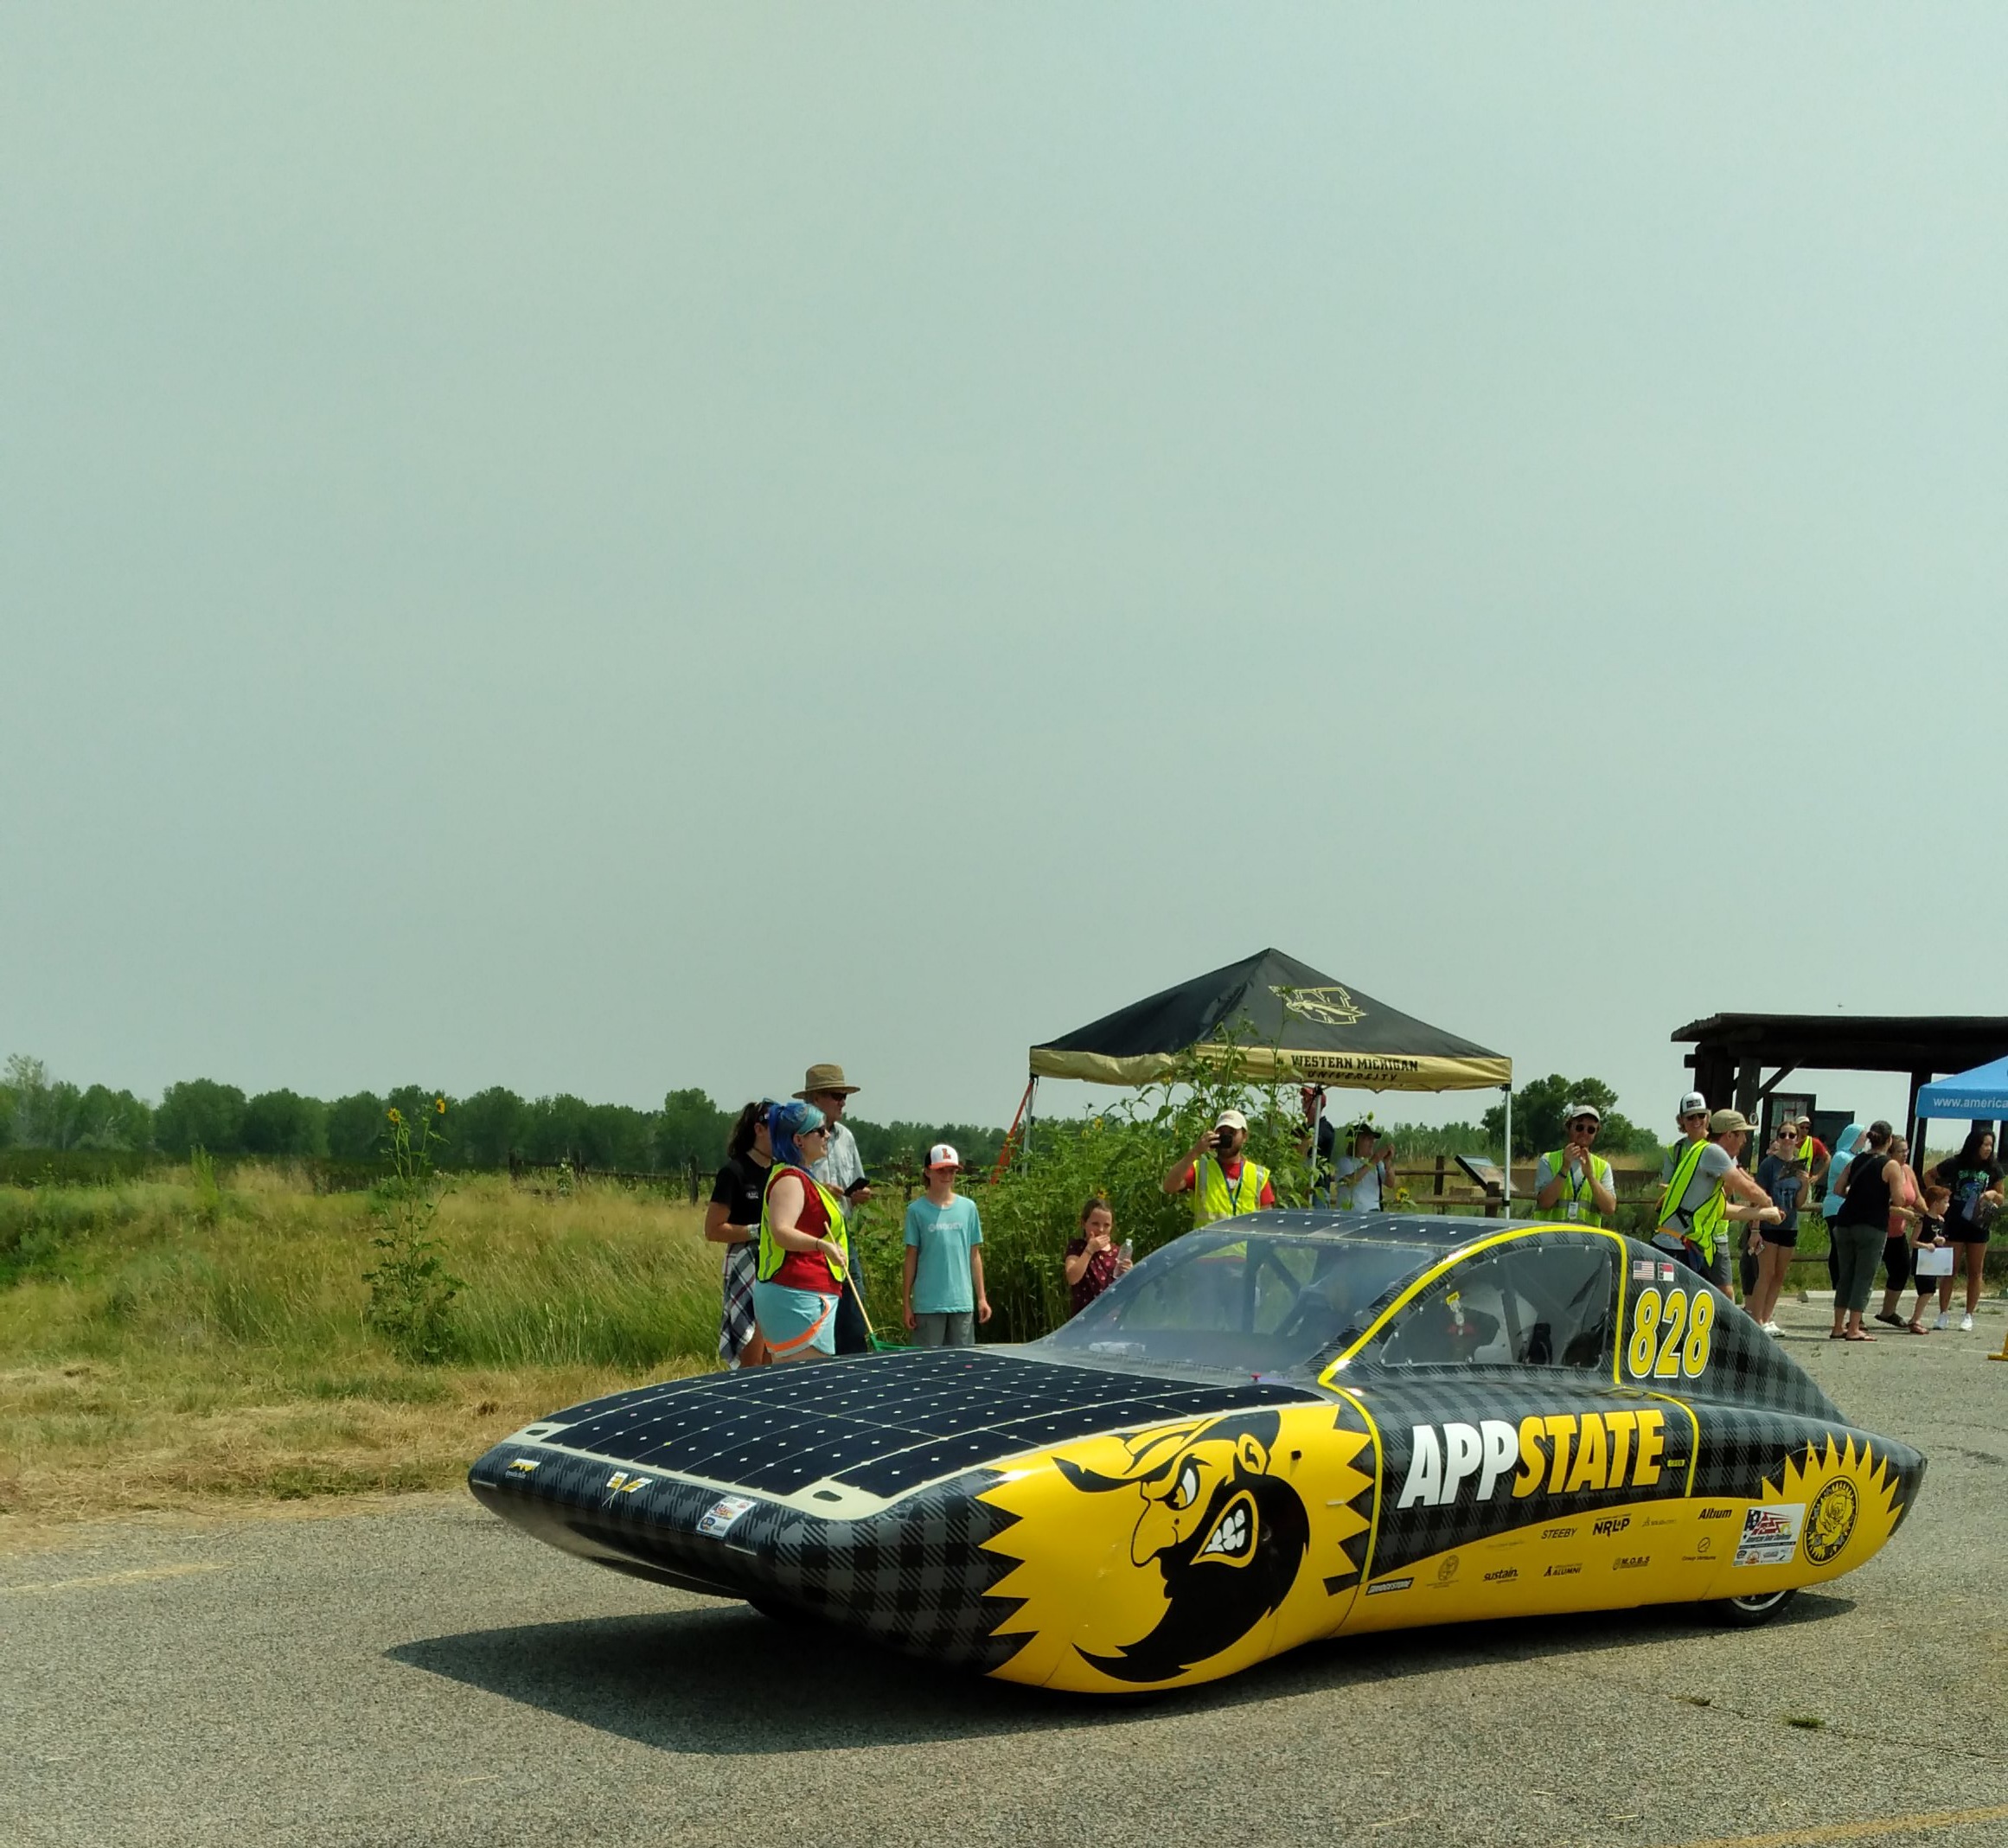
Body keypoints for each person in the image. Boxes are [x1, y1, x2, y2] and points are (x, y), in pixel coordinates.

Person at [751, 1100, 851, 1365]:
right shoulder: (790, 1180)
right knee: (806, 1383)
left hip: (807, 1293)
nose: (827, 1135)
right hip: (798, 1295)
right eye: (820, 1131)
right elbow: (781, 1231)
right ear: (799, 1140)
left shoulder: (801, 1178)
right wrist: (823, 1246)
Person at [1654, 1108, 1779, 1293]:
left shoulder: (1702, 1151)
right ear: (1729, 1135)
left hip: (1680, 1245)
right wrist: (1769, 1203)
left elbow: (1723, 1210)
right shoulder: (1714, 1152)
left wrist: (1765, 1214)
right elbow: (1747, 1188)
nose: (1745, 1141)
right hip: (1677, 1247)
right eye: (1742, 1135)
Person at [796, 1063, 873, 1354]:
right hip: (811, 1242)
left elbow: (855, 1178)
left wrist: (858, 1195)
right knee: (818, 1315)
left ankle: (855, 1373)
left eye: (844, 1096)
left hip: (843, 1237)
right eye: (837, 1095)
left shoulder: (847, 1137)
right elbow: (785, 1183)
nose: (842, 1102)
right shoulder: (797, 1140)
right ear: (816, 1098)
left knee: (853, 1316)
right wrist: (818, 1191)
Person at [704, 1100, 774, 1367]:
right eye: (775, 1129)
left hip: (776, 1264)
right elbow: (713, 1229)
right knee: (752, 1350)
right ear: (759, 1129)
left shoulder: (781, 1173)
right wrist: (757, 1232)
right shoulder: (734, 1172)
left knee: (774, 1351)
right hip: (746, 1265)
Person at [901, 1143, 989, 1346]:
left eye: (952, 1171)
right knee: (928, 1365)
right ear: (927, 1172)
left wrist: (981, 1297)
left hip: (961, 1302)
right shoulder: (916, 1211)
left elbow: (974, 1255)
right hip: (928, 1305)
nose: (947, 1176)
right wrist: (907, 1303)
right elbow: (911, 1257)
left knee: (962, 1363)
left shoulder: (968, 1208)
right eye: (941, 1170)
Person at [1829, 1121, 1904, 1341]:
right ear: (1889, 1141)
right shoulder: (1890, 1165)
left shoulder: (1855, 1161)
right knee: (1863, 1277)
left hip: (1845, 1222)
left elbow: (1837, 1189)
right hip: (1872, 1224)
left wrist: (1857, 1195)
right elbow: (1899, 1199)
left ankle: (1837, 1326)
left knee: (1846, 1275)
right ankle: (1853, 1328)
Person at [1927, 1126, 2005, 1332]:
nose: (1988, 1149)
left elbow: (2001, 1196)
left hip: (1978, 1223)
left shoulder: (1993, 1168)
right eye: (1984, 1144)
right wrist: (1939, 1198)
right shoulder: (1955, 1163)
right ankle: (1943, 1313)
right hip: (1954, 1221)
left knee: (1975, 1271)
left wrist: (1991, 1195)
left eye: (1990, 1145)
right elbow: (1929, 1175)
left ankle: (1968, 1315)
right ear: (1974, 1144)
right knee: (1949, 1270)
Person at [1747, 1123, 1810, 1334]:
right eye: (1783, 1135)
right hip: (1768, 1224)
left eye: (1792, 1135)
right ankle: (1756, 1320)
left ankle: (1767, 1317)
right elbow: (1757, 1196)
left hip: (1789, 1225)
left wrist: (1806, 1183)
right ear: (1778, 1138)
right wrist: (1755, 1230)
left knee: (1779, 1275)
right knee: (1766, 1273)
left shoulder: (1800, 1167)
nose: (1787, 1139)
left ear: (1797, 1139)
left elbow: (1799, 1204)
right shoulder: (1768, 1165)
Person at [1162, 1109, 1275, 1224]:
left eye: (1232, 1132)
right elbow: (1169, 1187)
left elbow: (1266, 1221)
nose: (1226, 1137)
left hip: (1244, 1242)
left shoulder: (1258, 1175)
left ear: (1244, 1137)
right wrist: (1195, 1152)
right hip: (1208, 1242)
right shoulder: (1201, 1169)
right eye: (1222, 1133)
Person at [1871, 1135, 1928, 1328]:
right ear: (1890, 1152)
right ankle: (1855, 1316)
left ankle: (1888, 1312)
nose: (1905, 1155)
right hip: (1878, 1230)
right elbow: (1878, 1204)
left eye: (1907, 1151)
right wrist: (1903, 1212)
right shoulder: (1883, 1169)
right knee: (1867, 1273)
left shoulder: (1907, 1171)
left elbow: (1917, 1198)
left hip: (1898, 1233)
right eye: (1900, 1151)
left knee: (1902, 1270)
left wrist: (1930, 1216)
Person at [1533, 1103, 1617, 1226]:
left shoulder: (1603, 1167)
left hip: (1587, 1242)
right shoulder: (1548, 1160)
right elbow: (1545, 1203)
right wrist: (1565, 1168)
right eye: (1579, 1127)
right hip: (1551, 1240)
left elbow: (1610, 1208)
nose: (1584, 1133)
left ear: (1596, 1133)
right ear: (1569, 1127)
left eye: (1591, 1129)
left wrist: (1591, 1177)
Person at [1819, 1122, 1865, 1291]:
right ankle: (1837, 1282)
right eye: (1863, 1136)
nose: (1865, 1140)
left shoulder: (1856, 1156)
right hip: (1836, 1207)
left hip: (1849, 1207)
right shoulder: (1841, 1157)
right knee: (1838, 1245)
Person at [1063, 1196, 1128, 1314]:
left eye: (1106, 1225)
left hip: (1112, 1317)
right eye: (1095, 1224)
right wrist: (1089, 1250)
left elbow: (1125, 1287)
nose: (1101, 1229)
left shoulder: (1117, 1252)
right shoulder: (1077, 1247)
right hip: (1085, 1318)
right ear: (1083, 1223)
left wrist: (1129, 1272)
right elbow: (1072, 1278)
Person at [1333, 1122, 1397, 1212]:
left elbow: (1390, 1183)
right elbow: (1349, 1182)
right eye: (1367, 1139)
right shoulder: (1344, 1162)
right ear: (1355, 1141)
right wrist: (1374, 1160)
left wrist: (1387, 1163)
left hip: (1373, 1213)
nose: (1372, 1143)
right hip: (1351, 1215)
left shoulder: (1377, 1164)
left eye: (1373, 1139)